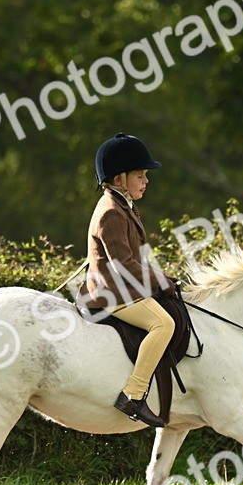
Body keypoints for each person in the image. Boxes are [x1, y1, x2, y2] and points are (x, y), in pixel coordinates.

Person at [79, 133, 174, 428]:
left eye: (145, 175)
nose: (146, 181)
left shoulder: (122, 205)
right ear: (119, 178)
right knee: (164, 324)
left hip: (120, 286)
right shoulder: (112, 212)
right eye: (140, 175)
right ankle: (133, 394)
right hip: (112, 294)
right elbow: (125, 265)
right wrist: (163, 281)